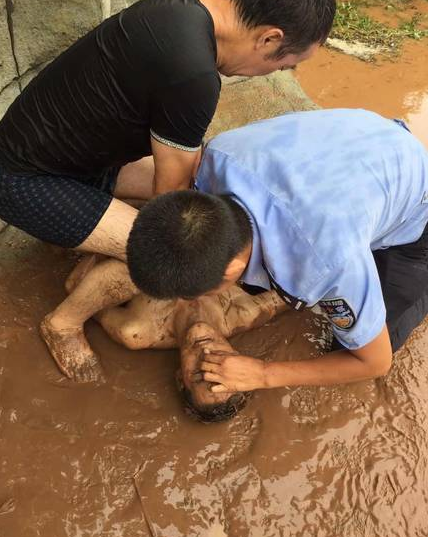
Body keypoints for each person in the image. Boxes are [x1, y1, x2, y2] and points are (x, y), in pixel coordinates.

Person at [0, 0, 335, 381]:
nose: (273, 73)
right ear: (268, 38)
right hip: (24, 180)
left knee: (208, 173)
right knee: (166, 255)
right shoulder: (193, 76)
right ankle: (62, 323)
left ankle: (76, 232)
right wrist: (204, 267)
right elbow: (172, 220)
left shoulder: (179, 12)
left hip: (67, 155)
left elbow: (193, 171)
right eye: (284, 64)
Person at [120, 108, 428, 393]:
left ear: (230, 270)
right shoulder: (218, 156)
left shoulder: (326, 260)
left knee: (348, 349)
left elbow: (375, 363)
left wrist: (263, 373)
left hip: (413, 199)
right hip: (367, 140)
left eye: (190, 293)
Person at [61, 258, 288, 421]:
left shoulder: (136, 330)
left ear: (180, 378)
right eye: (222, 363)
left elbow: (75, 283)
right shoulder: (246, 312)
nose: (206, 354)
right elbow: (308, 290)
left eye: (199, 374)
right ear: (239, 358)